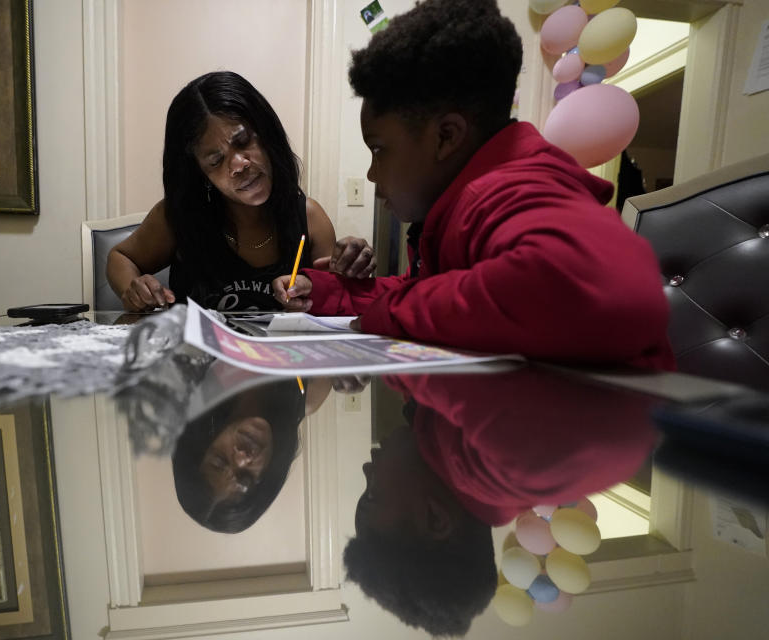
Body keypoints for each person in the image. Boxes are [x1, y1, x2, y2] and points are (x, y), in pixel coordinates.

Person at [273, 0, 675, 370]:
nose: (373, 176)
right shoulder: (466, 201)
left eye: (379, 151)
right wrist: (330, 293)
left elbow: (602, 286)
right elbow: (444, 294)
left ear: (446, 136)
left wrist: (389, 314)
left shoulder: (510, 189)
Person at [345, 368, 657, 635]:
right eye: (373, 493)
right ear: (436, 518)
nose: (367, 468)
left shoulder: (437, 438)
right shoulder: (502, 452)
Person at [107, 71, 376, 312]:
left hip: (284, 365)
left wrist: (350, 274)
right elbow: (120, 257)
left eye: (244, 141)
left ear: (267, 134)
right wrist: (133, 289)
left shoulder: (310, 218)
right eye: (216, 160)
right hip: (198, 365)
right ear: (200, 172)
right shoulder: (177, 217)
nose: (239, 165)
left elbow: (332, 304)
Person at [172, 369, 333, 533]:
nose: (242, 458)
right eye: (245, 477)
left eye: (220, 460)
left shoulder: (204, 370)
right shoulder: (308, 395)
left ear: (201, 439)